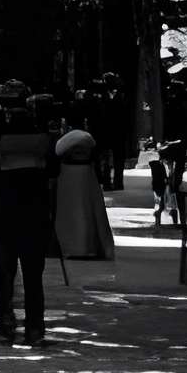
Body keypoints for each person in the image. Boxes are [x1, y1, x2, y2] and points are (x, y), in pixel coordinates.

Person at [0, 82, 59, 345]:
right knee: (32, 274)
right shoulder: (41, 131)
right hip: (33, 211)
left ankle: (6, 320)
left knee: (4, 272)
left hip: (3, 211)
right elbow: (53, 169)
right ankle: (35, 327)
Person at [53, 110, 115, 262]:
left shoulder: (65, 140)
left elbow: (58, 151)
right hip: (85, 174)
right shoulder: (87, 138)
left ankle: (72, 245)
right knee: (89, 209)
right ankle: (88, 245)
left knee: (71, 210)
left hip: (68, 175)